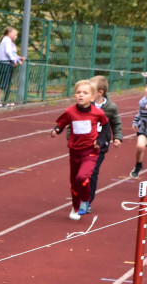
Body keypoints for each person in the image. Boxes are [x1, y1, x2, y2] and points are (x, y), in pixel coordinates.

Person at [50, 79, 107, 220]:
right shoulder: (70, 112)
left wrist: (100, 141)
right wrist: (56, 130)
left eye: (85, 93)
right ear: (75, 95)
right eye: (78, 92)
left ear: (93, 97)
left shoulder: (98, 113)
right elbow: (61, 123)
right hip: (75, 151)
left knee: (82, 177)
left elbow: (106, 127)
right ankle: (75, 207)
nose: (81, 95)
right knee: (74, 181)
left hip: (90, 152)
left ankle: (85, 201)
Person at [89, 75, 122, 207]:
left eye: (90, 90)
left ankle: (87, 201)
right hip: (84, 144)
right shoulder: (85, 105)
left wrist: (118, 137)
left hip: (100, 145)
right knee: (80, 174)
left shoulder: (110, 107)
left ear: (100, 92)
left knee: (92, 172)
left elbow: (116, 123)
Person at [0, 27, 23, 106]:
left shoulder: (7, 40)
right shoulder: (7, 40)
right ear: (9, 33)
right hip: (4, 64)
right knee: (3, 83)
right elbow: (8, 52)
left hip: (6, 64)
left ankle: (5, 100)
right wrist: (14, 60)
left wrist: (17, 58)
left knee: (7, 83)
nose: (16, 36)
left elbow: (11, 53)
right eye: (14, 34)